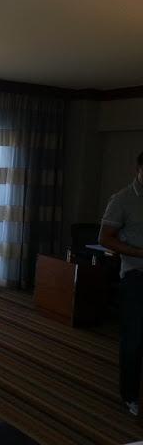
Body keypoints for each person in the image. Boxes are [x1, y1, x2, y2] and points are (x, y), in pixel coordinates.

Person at [99, 151, 143, 417]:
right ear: (138, 170)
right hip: (136, 274)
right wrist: (140, 253)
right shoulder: (123, 199)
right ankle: (131, 395)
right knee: (134, 338)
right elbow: (105, 238)